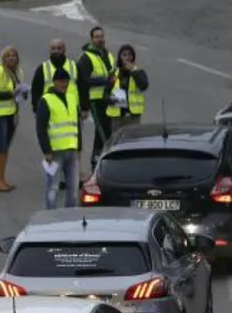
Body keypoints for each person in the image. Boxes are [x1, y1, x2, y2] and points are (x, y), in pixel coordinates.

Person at [36, 67, 81, 210]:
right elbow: (41, 128)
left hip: (72, 150)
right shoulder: (46, 100)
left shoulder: (72, 98)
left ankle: (70, 217)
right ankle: (51, 217)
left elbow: (76, 124)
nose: (64, 84)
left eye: (66, 82)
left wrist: (79, 146)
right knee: (53, 188)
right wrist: (46, 151)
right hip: (55, 152)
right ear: (54, 82)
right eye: (61, 82)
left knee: (73, 189)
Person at [0, 46, 26, 192]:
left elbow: (18, 94)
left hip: (12, 113)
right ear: (3, 58)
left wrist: (23, 94)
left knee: (6, 146)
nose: (11, 58)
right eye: (8, 56)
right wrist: (11, 94)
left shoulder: (19, 72)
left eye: (14, 56)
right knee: (0, 145)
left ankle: (2, 177)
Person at [77, 26, 115, 168]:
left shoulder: (108, 55)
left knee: (107, 133)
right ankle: (96, 165)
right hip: (95, 100)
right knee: (102, 134)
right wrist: (85, 106)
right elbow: (83, 81)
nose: (100, 39)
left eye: (102, 36)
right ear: (92, 39)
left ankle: (101, 163)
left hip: (109, 99)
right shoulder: (86, 57)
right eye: (97, 37)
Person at [105, 44, 149, 131]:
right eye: (124, 55)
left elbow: (143, 85)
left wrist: (133, 70)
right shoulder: (114, 74)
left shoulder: (139, 72)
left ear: (133, 57)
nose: (127, 57)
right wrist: (113, 100)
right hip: (117, 118)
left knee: (133, 142)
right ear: (120, 57)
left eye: (129, 55)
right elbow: (105, 94)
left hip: (133, 117)